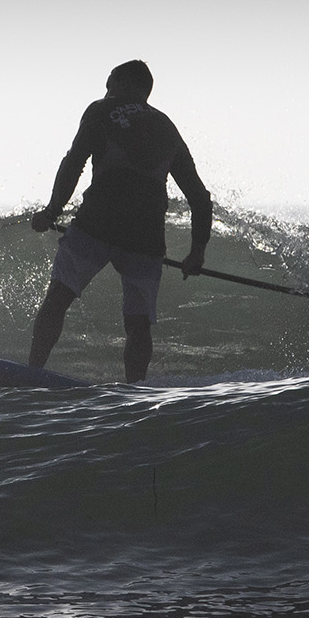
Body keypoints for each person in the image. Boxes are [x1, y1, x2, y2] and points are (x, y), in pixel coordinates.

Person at [28, 60, 214, 383]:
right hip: (146, 236)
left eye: (110, 82)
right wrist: (197, 251)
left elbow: (74, 162)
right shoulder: (167, 127)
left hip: (98, 222)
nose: (106, 89)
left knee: (58, 299)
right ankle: (136, 393)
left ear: (127, 84)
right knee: (138, 325)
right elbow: (199, 197)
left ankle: (30, 375)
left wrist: (52, 211)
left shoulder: (102, 109)